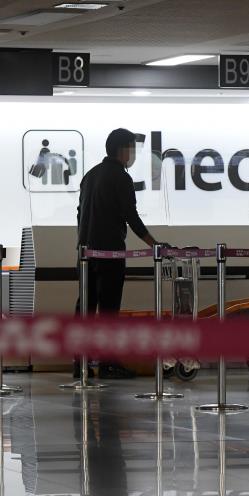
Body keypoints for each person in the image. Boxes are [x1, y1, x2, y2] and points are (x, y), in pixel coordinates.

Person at [76, 128, 158, 378]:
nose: (133, 155)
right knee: (109, 309)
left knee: (85, 308)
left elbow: (80, 213)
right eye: (132, 149)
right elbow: (130, 216)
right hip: (109, 252)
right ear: (123, 150)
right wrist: (154, 244)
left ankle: (79, 364)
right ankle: (108, 363)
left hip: (85, 253)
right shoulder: (121, 178)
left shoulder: (90, 175)